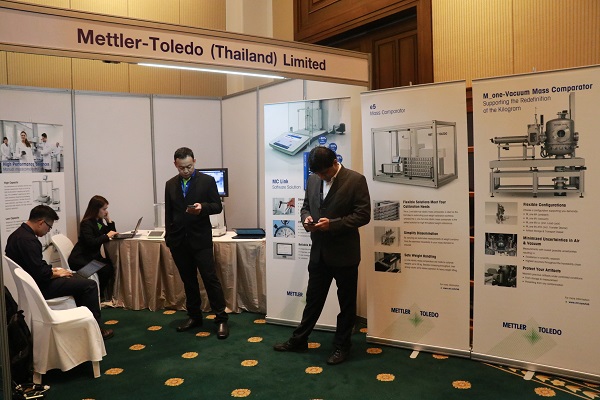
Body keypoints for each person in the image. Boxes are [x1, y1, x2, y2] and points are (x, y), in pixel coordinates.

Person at [273, 146, 371, 365]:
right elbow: (306, 207)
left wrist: (333, 225)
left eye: (325, 173)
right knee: (313, 301)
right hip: (318, 253)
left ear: (335, 162)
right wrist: (306, 219)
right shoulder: (313, 179)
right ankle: (299, 340)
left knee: (346, 304)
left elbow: (363, 215)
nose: (322, 177)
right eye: (317, 173)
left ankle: (342, 347)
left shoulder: (356, 180)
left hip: (345, 254)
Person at [5, 205, 114, 339]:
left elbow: (34, 266)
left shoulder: (17, 235)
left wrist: (53, 270)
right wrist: (55, 273)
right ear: (41, 222)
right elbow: (40, 273)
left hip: (33, 284)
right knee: (89, 285)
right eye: (49, 227)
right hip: (40, 287)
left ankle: (84, 326)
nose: (48, 231)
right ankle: (95, 330)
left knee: (78, 279)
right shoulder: (29, 241)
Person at [164, 147, 229, 339]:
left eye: (189, 167)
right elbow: (169, 213)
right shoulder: (170, 184)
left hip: (200, 240)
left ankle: (221, 318)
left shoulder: (207, 181)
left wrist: (203, 208)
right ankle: (194, 316)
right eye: (181, 167)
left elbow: (217, 206)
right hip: (178, 241)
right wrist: (169, 237)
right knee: (188, 281)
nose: (186, 171)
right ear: (175, 164)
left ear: (194, 161)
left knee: (210, 279)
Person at [68, 195, 118, 300]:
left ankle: (100, 294)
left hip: (92, 257)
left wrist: (108, 220)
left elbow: (111, 232)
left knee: (110, 264)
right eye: (104, 209)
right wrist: (106, 236)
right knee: (106, 269)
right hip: (81, 259)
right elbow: (91, 242)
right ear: (96, 209)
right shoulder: (86, 223)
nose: (105, 212)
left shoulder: (98, 222)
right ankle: (98, 295)